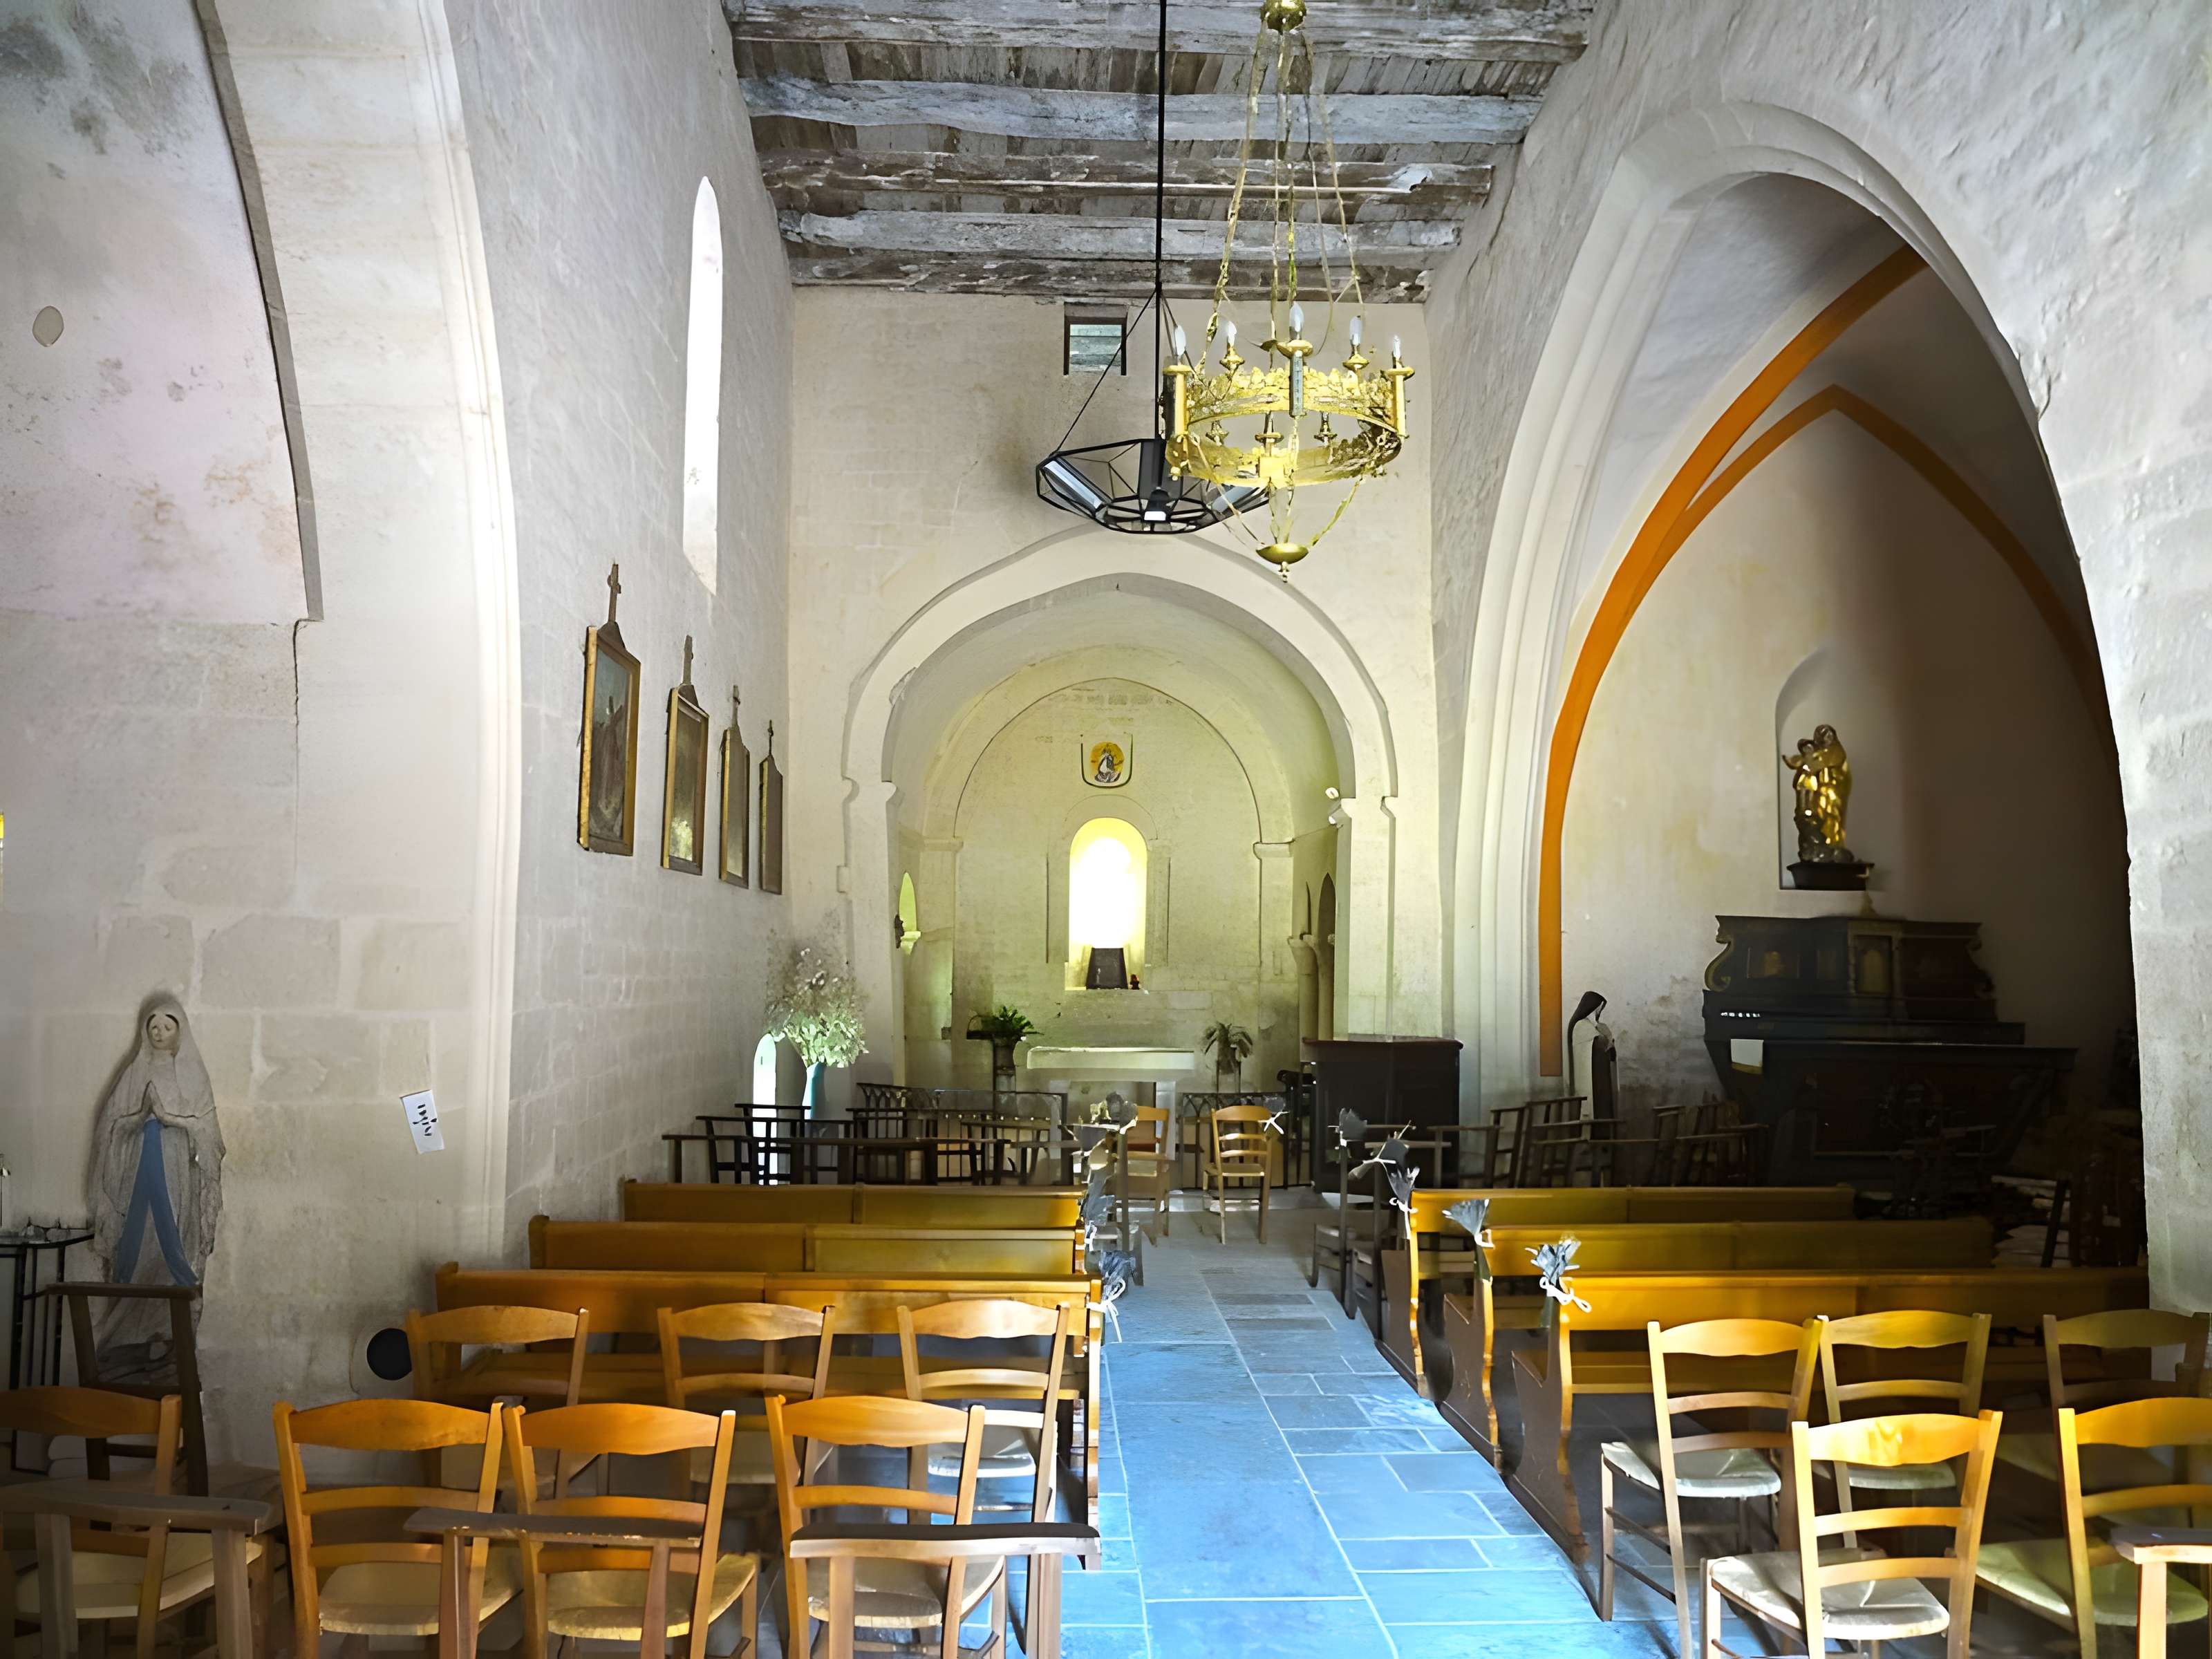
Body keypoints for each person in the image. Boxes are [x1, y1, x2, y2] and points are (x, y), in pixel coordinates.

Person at [88, 999, 225, 1356]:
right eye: (154, 1027)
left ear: (180, 1031)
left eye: (167, 1027)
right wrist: (139, 1118)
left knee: (175, 1237)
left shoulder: (194, 1075)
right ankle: (125, 1332)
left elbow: (210, 1134)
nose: (160, 1033)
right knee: (135, 1236)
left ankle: (171, 1328)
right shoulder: (135, 1072)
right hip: (138, 1166)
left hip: (176, 1167)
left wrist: (171, 1119)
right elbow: (112, 1125)